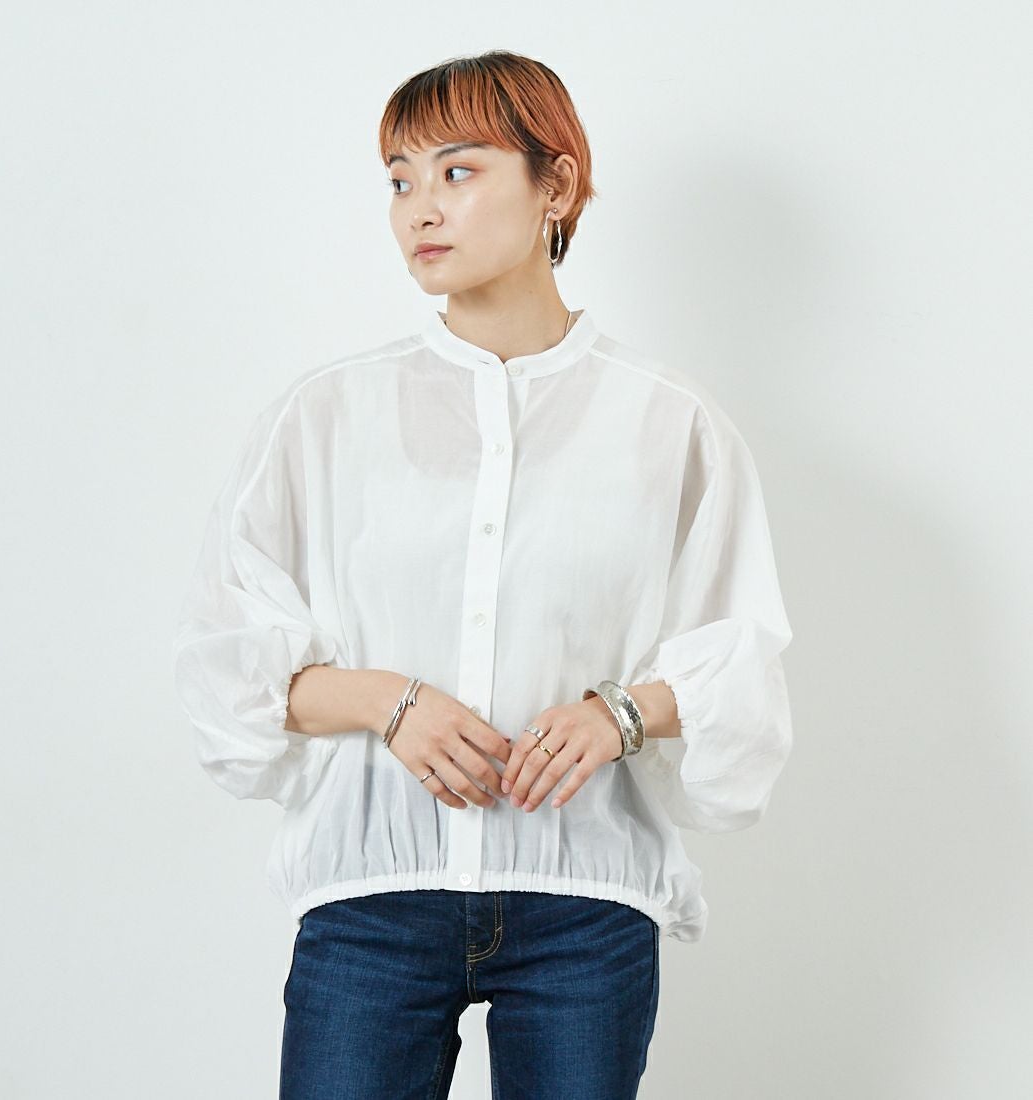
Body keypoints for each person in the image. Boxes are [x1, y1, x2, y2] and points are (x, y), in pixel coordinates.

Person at [172, 49, 794, 1100]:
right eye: (399, 179)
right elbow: (223, 665)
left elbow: (739, 667)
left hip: (583, 910)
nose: (420, 207)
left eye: (457, 171)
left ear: (556, 184)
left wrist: (618, 715)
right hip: (372, 905)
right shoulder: (325, 417)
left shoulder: (669, 422)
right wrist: (387, 701)